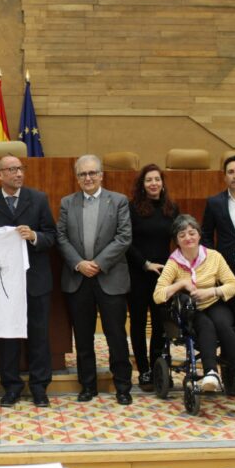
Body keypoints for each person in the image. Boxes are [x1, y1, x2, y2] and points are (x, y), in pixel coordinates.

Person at [0, 155, 57, 407]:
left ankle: (39, 387)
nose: (19, 174)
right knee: (7, 337)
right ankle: (11, 386)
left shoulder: (38, 198)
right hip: (3, 282)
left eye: (20, 169)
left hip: (35, 279)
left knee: (39, 335)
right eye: (12, 170)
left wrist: (34, 236)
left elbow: (52, 236)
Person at [57, 155, 133, 405]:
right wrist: (80, 264)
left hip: (110, 277)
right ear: (77, 178)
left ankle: (122, 385)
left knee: (116, 335)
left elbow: (123, 237)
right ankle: (87, 385)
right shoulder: (67, 203)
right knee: (83, 335)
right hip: (78, 278)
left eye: (92, 173)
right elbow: (62, 237)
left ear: (101, 175)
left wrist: (98, 264)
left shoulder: (118, 201)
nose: (88, 178)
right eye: (82, 174)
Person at [153, 214, 235, 394]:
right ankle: (211, 373)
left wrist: (212, 291)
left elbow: (233, 285)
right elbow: (158, 296)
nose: (188, 238)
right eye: (182, 235)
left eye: (192, 233)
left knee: (223, 323)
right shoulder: (174, 262)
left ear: (199, 235)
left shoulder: (214, 256)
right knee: (205, 325)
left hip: (215, 302)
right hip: (191, 310)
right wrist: (180, 284)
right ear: (177, 241)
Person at [126, 163, 179, 391]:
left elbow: (179, 239)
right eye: (149, 180)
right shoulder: (132, 208)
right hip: (138, 273)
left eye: (157, 179)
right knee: (138, 323)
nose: (154, 183)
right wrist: (145, 264)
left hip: (163, 277)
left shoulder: (171, 208)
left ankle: (158, 368)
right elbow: (125, 241)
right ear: (142, 184)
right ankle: (144, 370)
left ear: (162, 183)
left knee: (160, 325)